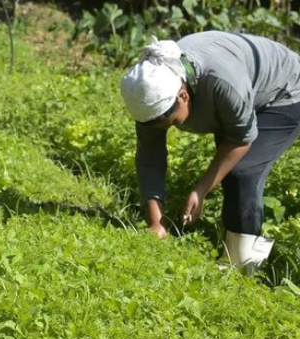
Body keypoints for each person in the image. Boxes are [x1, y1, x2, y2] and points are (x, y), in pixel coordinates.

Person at [120, 31, 300, 271]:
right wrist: (157, 224)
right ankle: (235, 249)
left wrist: (201, 189)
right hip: (241, 90)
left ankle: (243, 265)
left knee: (240, 171)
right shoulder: (149, 96)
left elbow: (240, 140)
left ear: (183, 96)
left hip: (286, 90)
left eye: (173, 121)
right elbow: (149, 158)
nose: (172, 127)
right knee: (228, 169)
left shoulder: (222, 82)